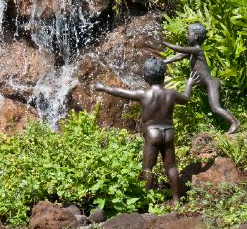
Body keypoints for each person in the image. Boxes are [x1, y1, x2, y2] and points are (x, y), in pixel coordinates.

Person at [95, 57, 198, 203]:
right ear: (164, 75)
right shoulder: (171, 94)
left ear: (145, 76)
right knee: (171, 166)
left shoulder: (143, 94)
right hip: (168, 131)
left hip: (152, 133)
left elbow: (119, 92)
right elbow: (186, 98)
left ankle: (146, 201)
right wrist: (189, 84)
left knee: (148, 168)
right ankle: (176, 200)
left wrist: (103, 87)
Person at [163, 22, 239, 134]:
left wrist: (163, 42)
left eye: (188, 33)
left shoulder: (197, 50)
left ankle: (235, 123)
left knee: (216, 108)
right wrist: (164, 61)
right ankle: (233, 121)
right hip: (208, 84)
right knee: (219, 106)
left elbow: (179, 49)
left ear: (196, 36)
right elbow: (179, 56)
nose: (186, 36)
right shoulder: (193, 51)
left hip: (211, 83)